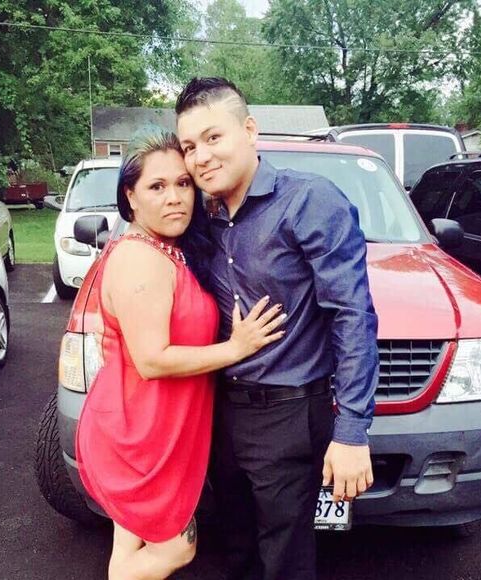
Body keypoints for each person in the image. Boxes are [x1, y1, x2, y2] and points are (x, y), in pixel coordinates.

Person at [175, 78, 380, 580]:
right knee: (235, 545)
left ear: (249, 130)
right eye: (189, 146)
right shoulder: (202, 217)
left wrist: (352, 431)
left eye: (213, 137)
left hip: (288, 414)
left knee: (285, 558)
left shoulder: (309, 201)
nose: (201, 156)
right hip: (220, 409)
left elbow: (352, 314)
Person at [75, 127, 286, 580]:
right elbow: (152, 360)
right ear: (130, 197)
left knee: (128, 550)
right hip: (141, 436)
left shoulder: (168, 249)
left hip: (159, 430)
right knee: (175, 548)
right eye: (157, 186)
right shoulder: (140, 259)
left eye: (183, 183)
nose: (174, 198)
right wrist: (235, 348)